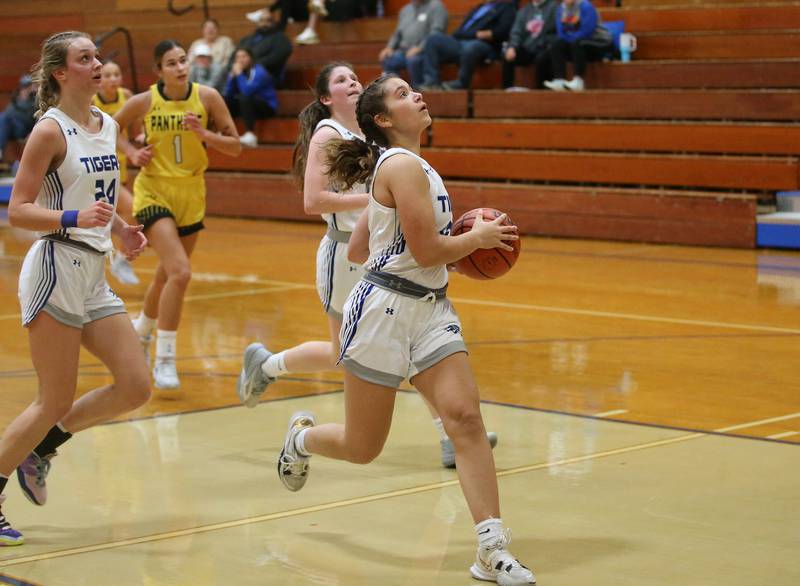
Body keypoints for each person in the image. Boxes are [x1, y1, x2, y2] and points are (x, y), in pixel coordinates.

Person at [239, 73, 534, 583]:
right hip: (384, 313)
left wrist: (433, 252)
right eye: (402, 95)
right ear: (382, 120)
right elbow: (425, 251)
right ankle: (301, 440)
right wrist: (476, 239)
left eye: (413, 90)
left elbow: (360, 249)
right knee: (363, 446)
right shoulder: (399, 164)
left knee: (466, 420)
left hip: (431, 309)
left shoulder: (415, 168)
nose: (417, 95)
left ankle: (491, 547)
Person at [236, 62, 497, 468]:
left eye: (355, 77)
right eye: (341, 80)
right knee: (351, 351)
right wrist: (378, 199)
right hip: (345, 253)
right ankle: (269, 366)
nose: (352, 82)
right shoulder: (328, 134)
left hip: (386, 250)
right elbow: (312, 201)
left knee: (406, 337)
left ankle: (449, 430)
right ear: (326, 98)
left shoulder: (376, 139)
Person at [0, 31, 151, 547]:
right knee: (52, 397)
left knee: (136, 385)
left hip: (93, 269)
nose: (97, 63)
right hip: (54, 267)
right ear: (62, 73)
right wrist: (73, 217)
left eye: (97, 56)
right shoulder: (50, 130)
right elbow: (18, 209)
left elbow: (101, 196)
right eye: (85, 58)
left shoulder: (105, 124)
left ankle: (42, 450)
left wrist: (120, 227)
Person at [114, 40, 241, 390]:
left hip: (192, 191)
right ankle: (165, 357)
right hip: (154, 189)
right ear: (159, 70)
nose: (181, 67)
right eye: (172, 63)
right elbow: (109, 130)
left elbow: (234, 147)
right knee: (181, 273)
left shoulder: (209, 98)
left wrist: (205, 135)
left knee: (165, 275)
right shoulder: (143, 101)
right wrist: (131, 152)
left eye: (183, 60)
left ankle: (141, 330)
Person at [91, 61, 141, 286]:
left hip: (120, 170)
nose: (112, 79)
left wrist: (139, 139)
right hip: (98, 172)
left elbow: (136, 127)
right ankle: (118, 260)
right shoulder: (92, 103)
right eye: (107, 75)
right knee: (127, 208)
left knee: (117, 215)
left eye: (116, 74)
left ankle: (116, 260)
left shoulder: (128, 96)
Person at [419, 0, 515, 90]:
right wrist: (474, 34)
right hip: (461, 41)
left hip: (485, 45)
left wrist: (476, 34)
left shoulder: (506, 7)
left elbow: (502, 32)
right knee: (433, 39)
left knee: (471, 47)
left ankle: (462, 82)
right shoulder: (479, 7)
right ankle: (431, 82)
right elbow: (460, 31)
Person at [543, 0, 613, 91]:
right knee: (557, 44)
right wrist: (569, 40)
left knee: (577, 43)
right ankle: (559, 80)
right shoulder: (561, 8)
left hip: (599, 41)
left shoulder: (585, 6)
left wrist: (570, 40)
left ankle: (578, 80)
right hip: (575, 42)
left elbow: (587, 31)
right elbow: (560, 32)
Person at [378, 0, 449, 88]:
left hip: (426, 51)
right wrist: (389, 47)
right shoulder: (405, 10)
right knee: (388, 59)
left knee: (413, 61)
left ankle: (418, 89)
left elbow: (437, 32)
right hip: (404, 50)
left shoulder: (437, 6)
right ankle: (392, 90)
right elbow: (397, 33)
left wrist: (419, 48)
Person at [223, 47, 278, 147]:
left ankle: (250, 134)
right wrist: (232, 77)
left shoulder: (260, 72)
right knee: (223, 100)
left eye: (244, 56)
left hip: (266, 107)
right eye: (238, 57)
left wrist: (239, 74)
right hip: (248, 106)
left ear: (251, 58)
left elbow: (247, 91)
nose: (240, 60)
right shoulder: (238, 72)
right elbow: (228, 94)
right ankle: (222, 131)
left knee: (244, 97)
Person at [502, 0, 559, 90]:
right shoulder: (524, 11)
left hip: (544, 47)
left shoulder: (554, 7)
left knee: (544, 57)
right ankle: (507, 90)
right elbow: (516, 32)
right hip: (527, 48)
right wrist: (512, 46)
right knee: (508, 54)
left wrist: (546, 43)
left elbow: (556, 31)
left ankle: (542, 92)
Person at [237, 4, 293, 82]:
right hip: (242, 73)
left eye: (268, 20)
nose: (265, 24)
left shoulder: (281, 39)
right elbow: (234, 55)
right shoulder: (246, 39)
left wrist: (250, 65)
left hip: (266, 76)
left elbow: (275, 58)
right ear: (257, 22)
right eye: (262, 20)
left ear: (273, 22)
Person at [0, 75, 37, 162]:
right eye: (24, 86)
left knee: (4, 118)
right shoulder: (15, 100)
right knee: (3, 118)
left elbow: (37, 118)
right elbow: (8, 114)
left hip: (24, 130)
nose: (25, 89)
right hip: (11, 128)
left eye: (28, 86)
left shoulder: (35, 101)